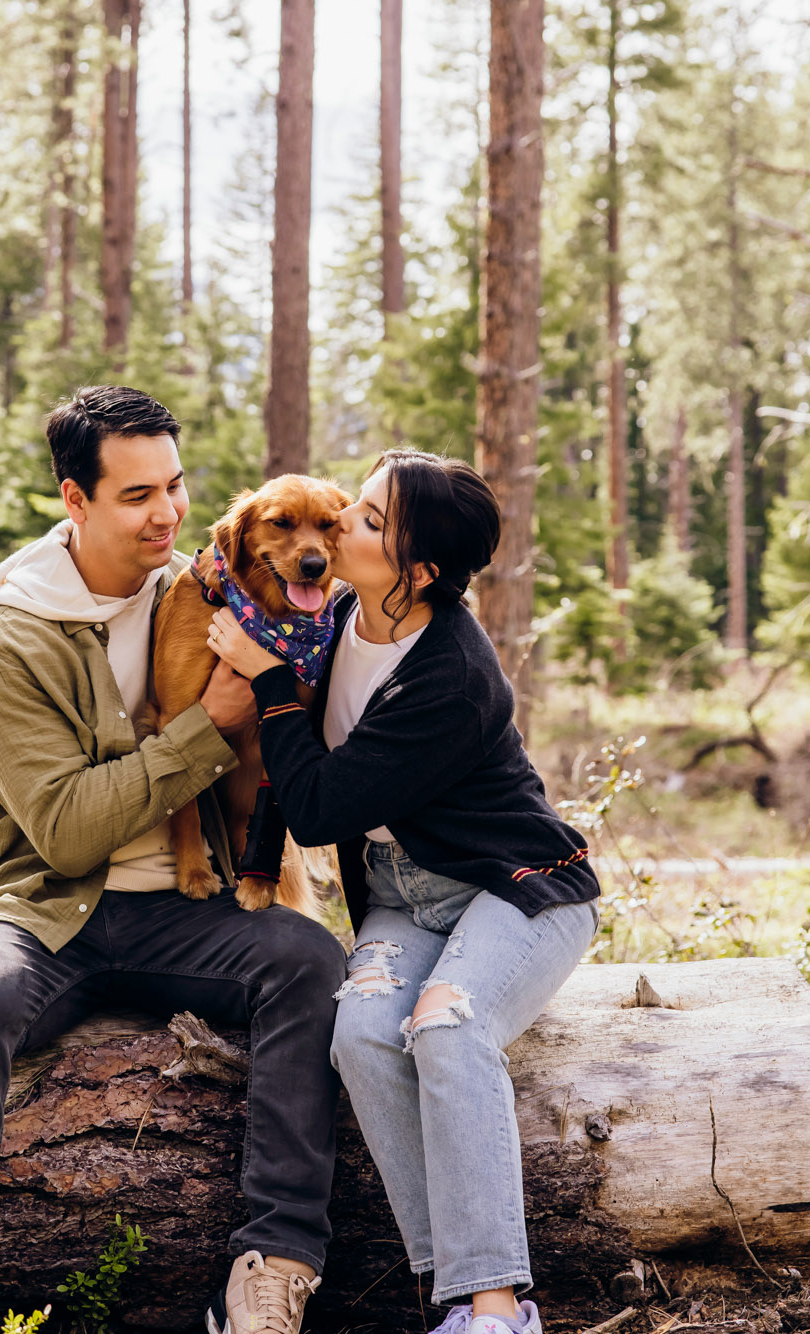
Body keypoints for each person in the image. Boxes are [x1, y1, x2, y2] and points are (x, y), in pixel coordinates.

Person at [0, 386, 345, 1334]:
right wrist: (208, 727)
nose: (167, 514)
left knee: (308, 963)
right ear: (74, 499)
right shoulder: (7, 638)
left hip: (186, 909)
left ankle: (277, 1262)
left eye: (174, 488)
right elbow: (63, 831)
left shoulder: (210, 596)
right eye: (137, 495)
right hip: (40, 907)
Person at [207, 448, 601, 1334]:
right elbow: (279, 775)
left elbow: (317, 804)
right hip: (398, 892)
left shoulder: (450, 675)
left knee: (447, 1028)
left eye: (369, 522)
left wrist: (267, 680)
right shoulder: (336, 611)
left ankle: (494, 1309)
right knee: (363, 1039)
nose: (340, 527)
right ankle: (454, 1290)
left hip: (516, 887)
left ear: (419, 570)